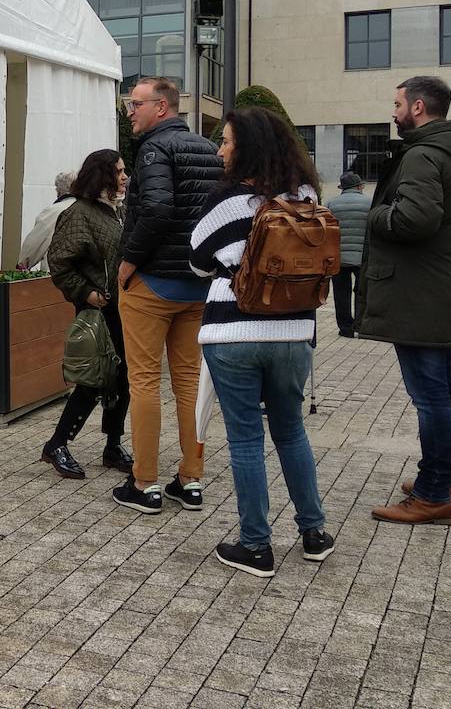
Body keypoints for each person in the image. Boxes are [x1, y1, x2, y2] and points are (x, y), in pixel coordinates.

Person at [189, 107, 336, 577]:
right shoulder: (307, 197)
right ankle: (313, 532)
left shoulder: (228, 202)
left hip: (234, 333)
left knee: (246, 438)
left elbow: (197, 261)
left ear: (248, 147)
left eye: (227, 141)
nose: (221, 150)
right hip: (295, 333)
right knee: (291, 430)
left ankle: (255, 545)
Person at [360, 76, 451, 525]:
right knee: (443, 389)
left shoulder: (422, 154)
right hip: (446, 288)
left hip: (418, 294)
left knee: (430, 395)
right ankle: (450, 479)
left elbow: (414, 219)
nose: (393, 112)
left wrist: (373, 213)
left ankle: (434, 493)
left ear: (418, 107)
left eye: (397, 103)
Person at [113, 77, 223, 515]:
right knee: (189, 382)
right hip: (197, 283)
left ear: (161, 106)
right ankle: (190, 479)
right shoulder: (208, 150)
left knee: (142, 380)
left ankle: (145, 483)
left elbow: (157, 209)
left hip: (153, 281)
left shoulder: (155, 149)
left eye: (134, 104)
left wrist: (128, 261)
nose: (130, 112)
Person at [41, 150, 133, 479]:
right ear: (101, 175)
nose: (124, 177)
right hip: (98, 308)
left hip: (122, 309)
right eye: (118, 172)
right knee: (94, 379)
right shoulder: (80, 212)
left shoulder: (116, 211)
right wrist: (87, 293)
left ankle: (112, 445)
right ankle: (57, 443)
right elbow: (60, 262)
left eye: (125, 171)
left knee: (123, 377)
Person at [327, 172, 371, 338]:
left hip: (338, 258)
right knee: (362, 292)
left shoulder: (331, 203)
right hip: (363, 258)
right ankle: (362, 326)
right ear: (359, 186)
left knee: (340, 294)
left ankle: (346, 328)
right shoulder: (370, 203)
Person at [17, 171, 78, 269]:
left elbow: (34, 243)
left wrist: (22, 265)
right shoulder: (91, 210)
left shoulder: (53, 212)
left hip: (57, 275)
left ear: (58, 190)